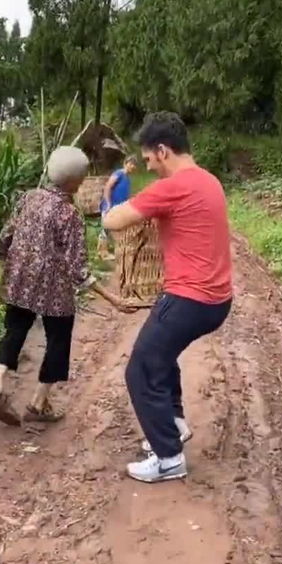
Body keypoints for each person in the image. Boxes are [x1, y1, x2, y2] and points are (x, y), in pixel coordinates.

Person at [103, 112, 232, 484]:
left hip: (190, 299)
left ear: (162, 151)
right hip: (216, 300)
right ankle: (173, 423)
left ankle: (169, 457)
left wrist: (107, 206)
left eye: (148, 159)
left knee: (140, 370)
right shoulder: (209, 180)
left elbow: (115, 221)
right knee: (160, 355)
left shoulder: (174, 185)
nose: (148, 167)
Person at [0, 146, 127, 425]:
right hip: (54, 293)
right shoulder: (70, 214)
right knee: (57, 342)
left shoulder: (28, 198)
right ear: (76, 181)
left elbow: (5, 237)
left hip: (19, 283)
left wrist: (7, 265)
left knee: (13, 331)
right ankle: (37, 404)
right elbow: (78, 269)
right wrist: (111, 298)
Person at [97, 155, 137, 260]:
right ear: (125, 163)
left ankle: (110, 250)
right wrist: (108, 203)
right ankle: (102, 253)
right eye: (130, 164)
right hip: (110, 205)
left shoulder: (128, 179)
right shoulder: (119, 173)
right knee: (106, 228)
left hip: (119, 207)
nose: (132, 166)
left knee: (116, 229)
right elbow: (108, 186)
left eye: (134, 165)